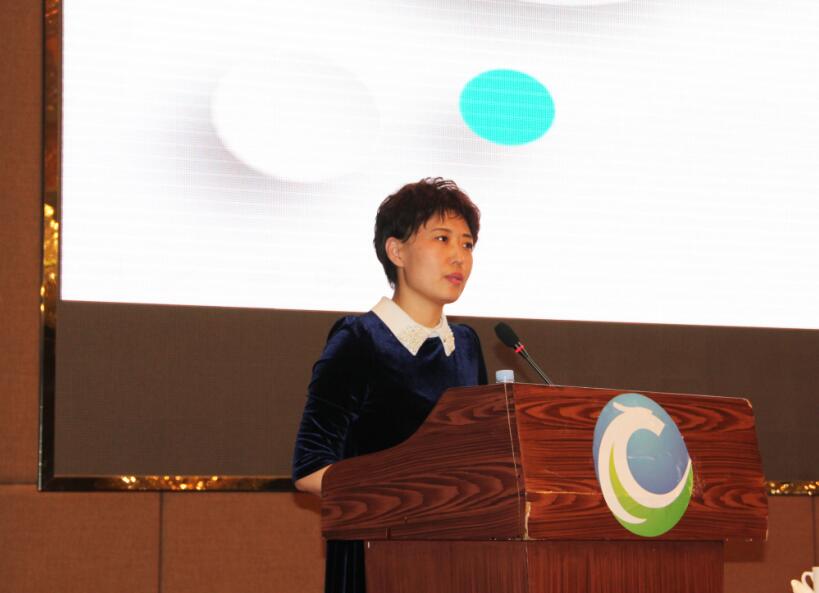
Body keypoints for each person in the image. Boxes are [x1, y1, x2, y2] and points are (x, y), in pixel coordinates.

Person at [291, 177, 488, 593]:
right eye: (442, 239)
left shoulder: (467, 346)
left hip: (458, 561)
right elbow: (309, 469)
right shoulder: (359, 341)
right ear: (396, 251)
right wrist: (414, 499)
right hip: (377, 560)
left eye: (467, 244)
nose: (459, 256)